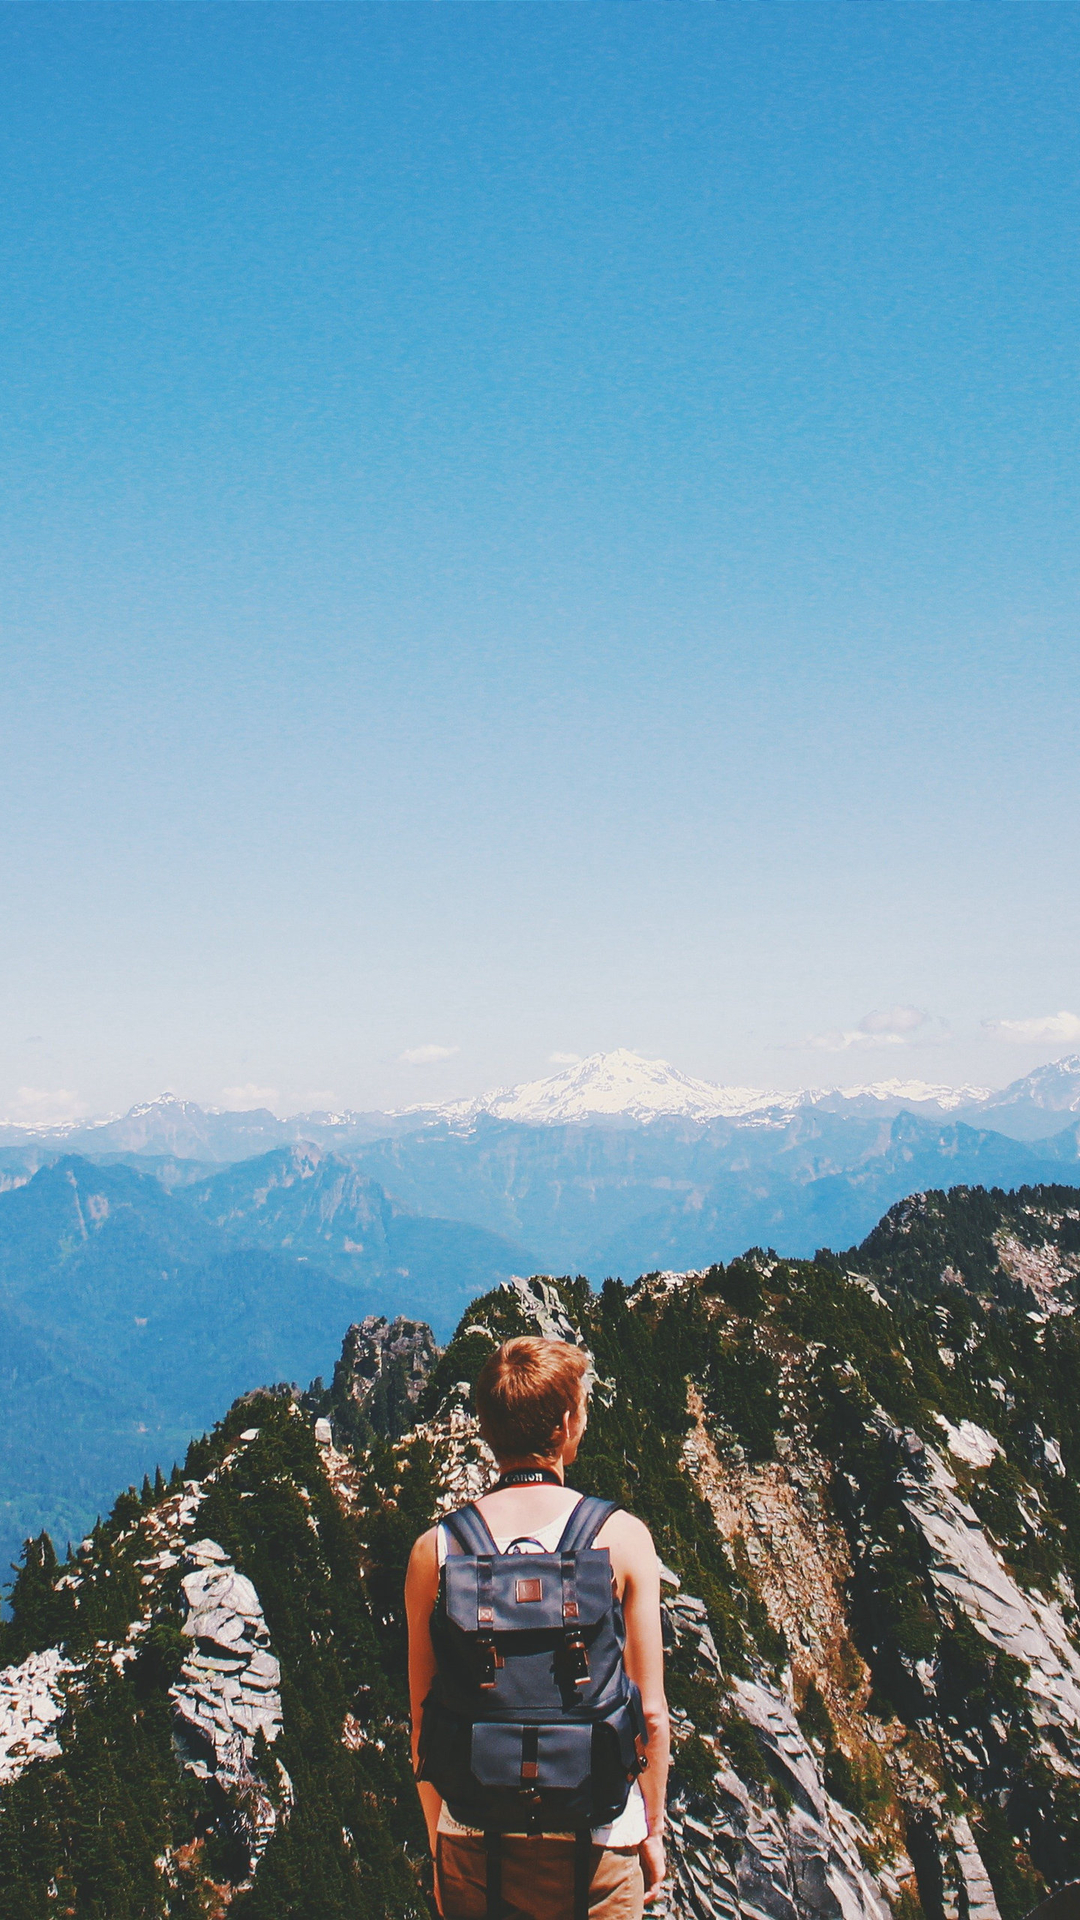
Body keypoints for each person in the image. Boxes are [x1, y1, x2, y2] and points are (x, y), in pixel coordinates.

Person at [406, 1336, 670, 1920]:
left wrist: (440, 1837)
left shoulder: (437, 1549)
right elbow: (649, 1713)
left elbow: (422, 1720)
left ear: (487, 1427)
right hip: (600, 1844)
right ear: (568, 1422)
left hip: (472, 1842)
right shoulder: (623, 1537)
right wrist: (651, 1829)